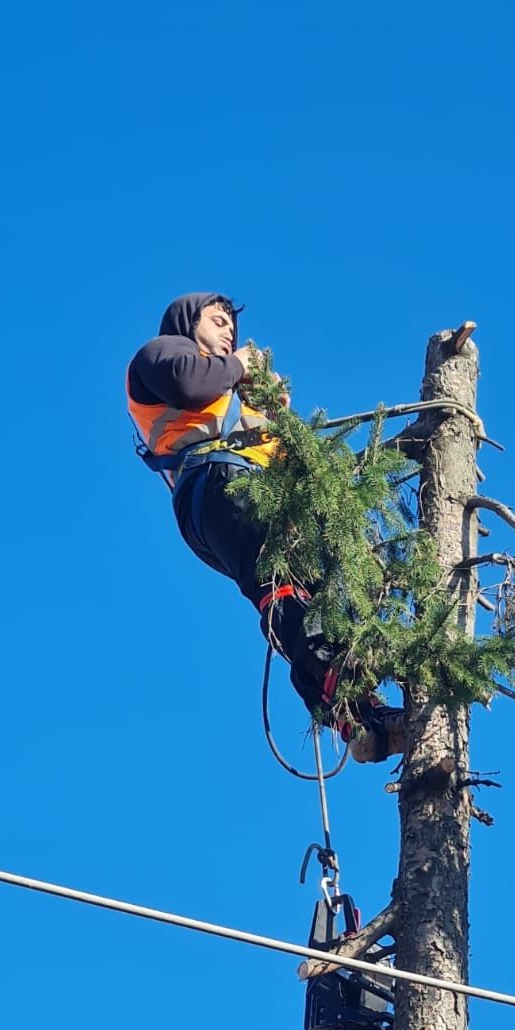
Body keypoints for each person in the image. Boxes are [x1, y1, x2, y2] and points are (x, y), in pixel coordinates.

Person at [126, 293, 405, 763]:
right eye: (217, 320)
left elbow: (306, 467)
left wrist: (271, 413)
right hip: (217, 484)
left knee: (324, 591)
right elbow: (186, 382)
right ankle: (334, 676)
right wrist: (238, 366)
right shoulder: (160, 355)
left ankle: (357, 716)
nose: (229, 331)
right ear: (186, 322)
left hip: (254, 492)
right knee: (281, 589)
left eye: (231, 326)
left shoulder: (232, 393)